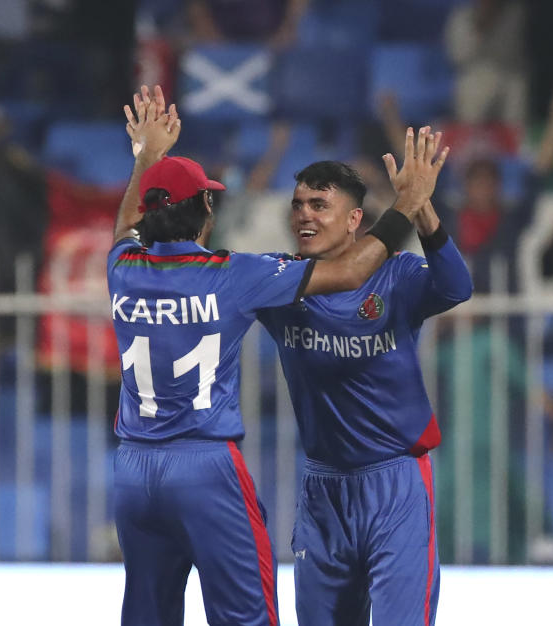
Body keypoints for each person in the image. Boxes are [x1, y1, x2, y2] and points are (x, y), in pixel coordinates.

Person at [109, 85, 448, 625]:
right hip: (205, 465)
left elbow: (124, 227)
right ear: (207, 212)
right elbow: (354, 271)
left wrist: (146, 158)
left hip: (131, 468)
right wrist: (408, 204)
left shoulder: (122, 268)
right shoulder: (233, 275)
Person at [254, 155, 473, 625]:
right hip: (323, 491)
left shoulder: (397, 276)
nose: (304, 215)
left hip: (395, 484)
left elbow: (457, 286)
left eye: (319, 204)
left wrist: (422, 208)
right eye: (298, 205)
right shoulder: (277, 282)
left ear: (355, 219)